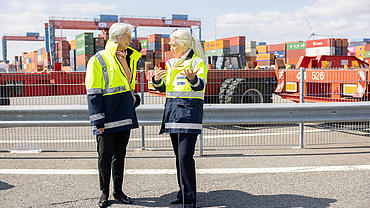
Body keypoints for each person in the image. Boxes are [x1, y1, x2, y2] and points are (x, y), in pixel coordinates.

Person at [85, 23, 141, 208]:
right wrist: (98, 120)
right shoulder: (98, 60)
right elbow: (93, 92)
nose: (130, 40)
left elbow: (128, 85)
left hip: (124, 115)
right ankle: (104, 193)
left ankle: (118, 191)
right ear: (116, 38)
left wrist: (134, 97)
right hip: (107, 118)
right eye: (128, 36)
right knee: (104, 156)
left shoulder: (128, 58)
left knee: (120, 156)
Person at [152, 30, 208, 208]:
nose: (171, 46)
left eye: (173, 43)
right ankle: (182, 193)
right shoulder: (170, 63)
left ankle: (190, 199)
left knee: (185, 157)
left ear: (184, 44)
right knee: (179, 158)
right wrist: (156, 80)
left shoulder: (198, 62)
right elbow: (164, 88)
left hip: (189, 116)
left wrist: (192, 78)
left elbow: (200, 86)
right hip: (172, 115)